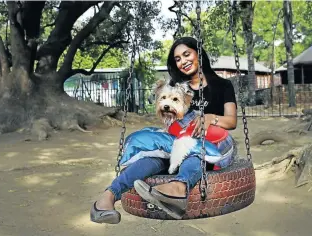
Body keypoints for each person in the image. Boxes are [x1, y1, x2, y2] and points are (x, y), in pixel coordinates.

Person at [90, 36, 238, 224]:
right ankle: (107, 198)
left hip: (211, 145)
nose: (183, 61)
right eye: (177, 59)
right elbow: (169, 119)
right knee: (153, 156)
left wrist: (210, 118)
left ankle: (177, 190)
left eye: (186, 54)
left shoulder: (223, 85)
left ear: (198, 54)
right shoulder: (175, 87)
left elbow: (232, 121)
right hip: (178, 141)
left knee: (194, 154)